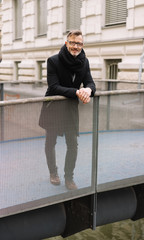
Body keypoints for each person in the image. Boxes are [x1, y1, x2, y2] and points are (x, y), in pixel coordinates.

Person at [39, 30, 96, 190]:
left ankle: (69, 177)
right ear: (66, 43)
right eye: (72, 42)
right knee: (51, 142)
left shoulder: (84, 62)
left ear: (82, 45)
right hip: (53, 107)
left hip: (70, 109)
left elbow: (90, 82)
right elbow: (54, 86)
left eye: (79, 43)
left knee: (73, 144)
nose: (75, 46)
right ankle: (53, 173)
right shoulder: (54, 61)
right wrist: (76, 92)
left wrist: (88, 90)